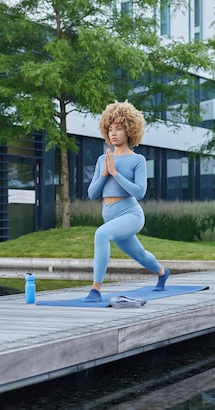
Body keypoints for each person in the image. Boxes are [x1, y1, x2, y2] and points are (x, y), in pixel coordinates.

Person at [83, 101, 170, 302]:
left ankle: (95, 290)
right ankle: (162, 272)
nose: (114, 133)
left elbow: (139, 192)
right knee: (140, 255)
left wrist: (115, 173)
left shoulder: (137, 160)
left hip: (131, 214)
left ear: (130, 130)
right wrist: (105, 173)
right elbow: (92, 194)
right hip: (110, 214)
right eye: (110, 129)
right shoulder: (101, 160)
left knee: (101, 234)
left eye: (119, 128)